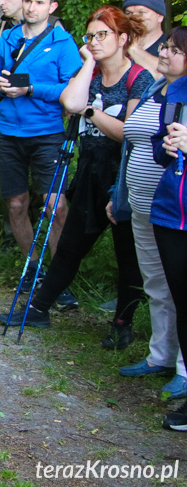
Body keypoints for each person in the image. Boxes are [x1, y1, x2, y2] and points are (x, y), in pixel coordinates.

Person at [0, 6, 152, 351]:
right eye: (90, 36)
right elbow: (70, 100)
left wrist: (92, 112)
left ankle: (123, 324)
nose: (94, 42)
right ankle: (38, 309)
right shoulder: (93, 75)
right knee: (69, 248)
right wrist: (87, 64)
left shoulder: (139, 79)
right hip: (88, 173)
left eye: (102, 35)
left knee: (127, 256)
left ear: (122, 39)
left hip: (123, 178)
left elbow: (127, 132)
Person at [106, 27, 187, 403]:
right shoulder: (158, 90)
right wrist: (119, 193)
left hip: (175, 207)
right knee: (155, 281)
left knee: (180, 286)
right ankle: (160, 356)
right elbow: (136, 145)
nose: (165, 53)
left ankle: (185, 372)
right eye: (166, 46)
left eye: (173, 49)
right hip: (141, 202)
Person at [0, 0, 82, 298]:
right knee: (16, 205)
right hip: (8, 132)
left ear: (52, 7)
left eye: (39, 2)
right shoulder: (8, 37)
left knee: (55, 206)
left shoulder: (63, 43)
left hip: (47, 134)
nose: (31, 7)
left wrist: (31, 89)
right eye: (28, 1)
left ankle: (60, 280)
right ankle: (33, 269)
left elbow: (73, 90)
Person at [149, 27, 187, 428]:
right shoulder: (172, 95)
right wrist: (169, 147)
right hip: (169, 212)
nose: (164, 52)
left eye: (174, 49)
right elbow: (162, 151)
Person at [0, 0, 66, 121]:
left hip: (44, 115)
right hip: (9, 114)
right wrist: (1, 87)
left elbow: (65, 78)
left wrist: (29, 89)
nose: (0, 3)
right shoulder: (1, 31)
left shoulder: (53, 28)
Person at [124, 0, 168, 81]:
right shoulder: (117, 46)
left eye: (141, 12)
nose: (134, 17)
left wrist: (133, 49)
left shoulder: (174, 48)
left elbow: (167, 78)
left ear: (160, 16)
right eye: (128, 13)